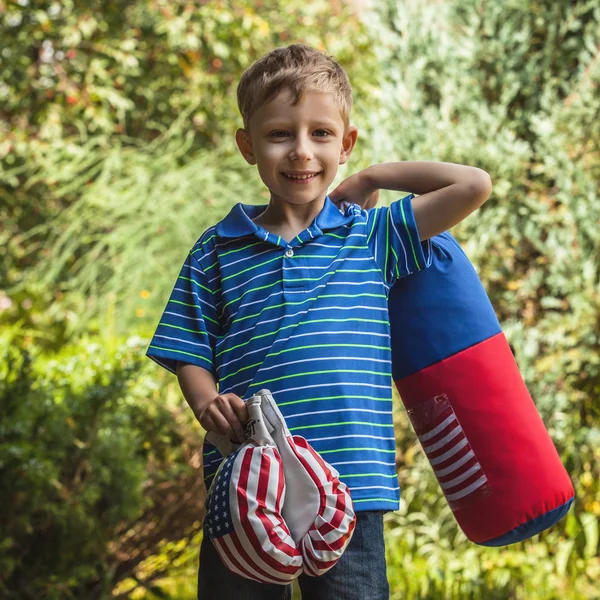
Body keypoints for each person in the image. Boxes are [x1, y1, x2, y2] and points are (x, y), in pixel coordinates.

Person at [146, 43, 492, 600]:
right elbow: (188, 347)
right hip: (244, 484)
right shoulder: (216, 248)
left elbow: (472, 184)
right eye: (280, 134)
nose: (300, 151)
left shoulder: (371, 236)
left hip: (349, 484)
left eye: (322, 134)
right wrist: (206, 403)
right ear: (248, 146)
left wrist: (372, 177)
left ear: (346, 144)